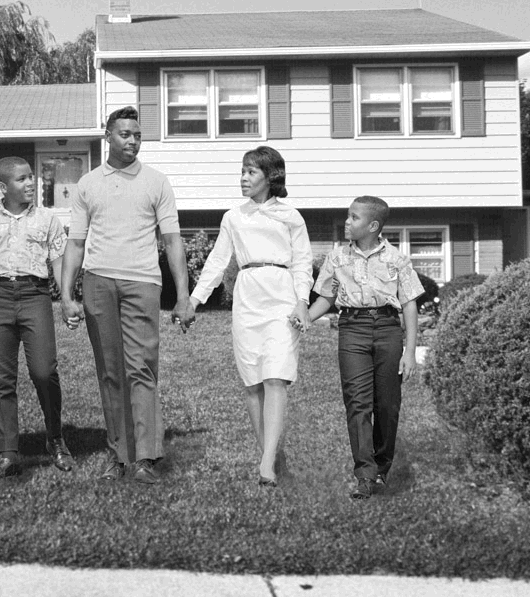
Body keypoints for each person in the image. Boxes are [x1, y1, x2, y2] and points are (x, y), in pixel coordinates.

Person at [61, 107, 192, 485]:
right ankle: (119, 455)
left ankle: (145, 457)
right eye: (124, 134)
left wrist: (182, 296)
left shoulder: (157, 182)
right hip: (99, 281)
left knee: (142, 369)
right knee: (110, 373)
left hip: (143, 283)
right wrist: (67, 295)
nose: (132, 141)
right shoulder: (87, 184)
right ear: (108, 136)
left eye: (136, 134)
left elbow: (172, 241)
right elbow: (75, 242)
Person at [184, 146, 312, 488]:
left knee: (276, 377)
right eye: (242, 171)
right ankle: (271, 455)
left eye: (251, 172)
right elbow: (216, 261)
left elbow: (301, 262)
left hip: (282, 296)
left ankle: (267, 463)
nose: (243, 178)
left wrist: (302, 302)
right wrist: (194, 301)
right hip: (248, 296)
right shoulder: (233, 217)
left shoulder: (291, 216)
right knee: (254, 383)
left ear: (270, 177)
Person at [0, 156, 73, 482]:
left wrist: (66, 299)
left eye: (31, 178)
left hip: (35, 297)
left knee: (43, 371)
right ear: (2, 187)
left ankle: (55, 438)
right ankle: (9, 454)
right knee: (1, 381)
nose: (30, 184)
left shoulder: (47, 219)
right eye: (22, 179)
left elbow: (58, 262)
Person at [307, 196, 423, 500]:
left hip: (387, 331)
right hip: (352, 331)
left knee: (387, 406)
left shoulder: (397, 259)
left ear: (373, 225)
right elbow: (326, 298)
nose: (347, 222)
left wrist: (410, 351)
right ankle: (365, 474)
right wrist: (304, 318)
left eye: (353, 218)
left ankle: (382, 467)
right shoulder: (336, 258)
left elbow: (409, 304)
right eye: (347, 216)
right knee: (358, 403)